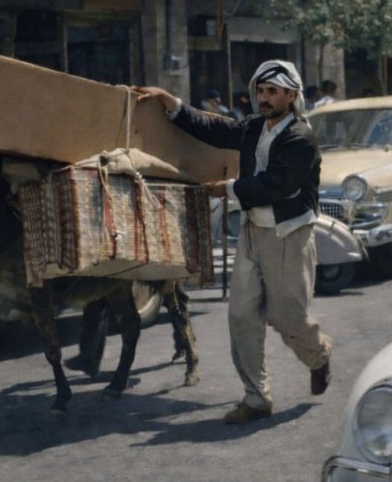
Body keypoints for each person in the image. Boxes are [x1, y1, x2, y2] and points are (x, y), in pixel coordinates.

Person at [134, 60, 332, 425]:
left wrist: (225, 189)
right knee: (241, 315)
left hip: (287, 234)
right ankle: (256, 398)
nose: (265, 98)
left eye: (273, 92)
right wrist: (171, 103)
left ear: (291, 95)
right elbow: (216, 128)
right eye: (261, 91)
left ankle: (318, 357)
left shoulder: (300, 138)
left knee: (287, 316)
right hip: (252, 231)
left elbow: (278, 184)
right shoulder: (255, 127)